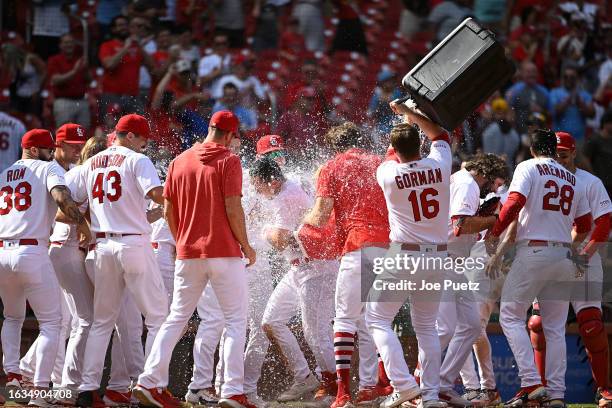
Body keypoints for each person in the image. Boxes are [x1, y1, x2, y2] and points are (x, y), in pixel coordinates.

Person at [134, 111, 258, 408]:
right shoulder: (230, 159)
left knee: (176, 318)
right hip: (224, 252)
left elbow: (167, 212)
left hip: (187, 254)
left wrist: (181, 241)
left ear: (210, 129)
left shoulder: (178, 160)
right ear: (229, 135)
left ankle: (148, 381)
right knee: (235, 320)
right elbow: (233, 208)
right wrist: (247, 246)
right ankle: (232, 392)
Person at [485, 129, 592, 407]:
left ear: (533, 150)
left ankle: (531, 382)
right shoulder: (574, 178)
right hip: (562, 254)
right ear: (554, 151)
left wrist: (495, 231)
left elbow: (514, 204)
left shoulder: (528, 166)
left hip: (534, 250)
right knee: (556, 328)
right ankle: (556, 394)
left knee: (509, 314)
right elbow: (584, 225)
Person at [68, 114, 169, 407]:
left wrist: (88, 225)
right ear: (132, 136)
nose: (146, 143)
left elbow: (68, 203)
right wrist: (181, 194)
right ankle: (153, 385)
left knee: (102, 322)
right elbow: (157, 194)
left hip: (103, 246)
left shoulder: (91, 162)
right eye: (143, 138)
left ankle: (88, 388)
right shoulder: (137, 160)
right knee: (158, 317)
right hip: (134, 244)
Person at [365, 101, 453, 408]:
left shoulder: (388, 173)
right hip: (438, 256)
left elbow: (396, 153)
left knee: (375, 317)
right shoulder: (440, 164)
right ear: (421, 144)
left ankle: (402, 385)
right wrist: (411, 115)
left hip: (404, 255)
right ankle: (429, 395)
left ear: (394, 147)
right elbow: (440, 135)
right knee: (427, 327)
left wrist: (402, 118)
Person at [302, 122, 392, 408]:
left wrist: (298, 231)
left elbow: (320, 214)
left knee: (345, 319)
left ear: (334, 147)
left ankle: (342, 394)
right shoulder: (380, 163)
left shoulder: (331, 167)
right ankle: (369, 387)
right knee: (373, 322)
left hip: (357, 247)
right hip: (389, 248)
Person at [0, 129, 89, 407]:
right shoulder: (47, 167)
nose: (53, 152)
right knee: (53, 323)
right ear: (36, 150)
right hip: (33, 250)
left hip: (3, 251)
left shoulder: (3, 174)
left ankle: (13, 376)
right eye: (49, 148)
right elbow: (62, 197)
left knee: (12, 318)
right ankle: (39, 391)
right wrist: (82, 222)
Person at [528, 131, 612, 407]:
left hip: (583, 259)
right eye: (554, 155)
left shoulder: (590, 181)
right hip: (550, 258)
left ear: (574, 152)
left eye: (563, 155)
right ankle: (541, 390)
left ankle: (604, 389)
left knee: (591, 325)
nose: (558, 161)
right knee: (538, 324)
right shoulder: (539, 176)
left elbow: (604, 222)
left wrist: (583, 253)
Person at [253, 158, 338, 403]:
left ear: (274, 181)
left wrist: (263, 229)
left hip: (317, 268)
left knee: (316, 331)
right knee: (271, 321)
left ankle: (332, 385)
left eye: (259, 185)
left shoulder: (286, 197)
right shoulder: (287, 186)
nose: (257, 191)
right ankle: (304, 378)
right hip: (299, 268)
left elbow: (280, 240)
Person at [435, 153, 507, 407]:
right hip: (444, 260)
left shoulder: (460, 180)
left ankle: (442, 386)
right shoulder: (467, 184)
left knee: (471, 327)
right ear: (485, 174)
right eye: (494, 183)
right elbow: (461, 225)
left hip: (452, 260)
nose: (493, 189)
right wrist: (492, 220)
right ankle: (423, 383)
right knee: (444, 330)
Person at [98, 16, 154, 115]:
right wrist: (126, 48)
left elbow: (152, 67)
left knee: (138, 128)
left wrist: (140, 46)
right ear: (113, 29)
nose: (123, 27)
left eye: (125, 25)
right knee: (111, 128)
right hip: (112, 95)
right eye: (120, 25)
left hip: (133, 96)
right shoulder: (107, 45)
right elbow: (109, 65)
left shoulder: (136, 46)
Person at [47, 33, 91, 129]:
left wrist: (86, 69)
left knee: (84, 133)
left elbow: (89, 80)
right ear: (60, 45)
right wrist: (74, 71)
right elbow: (55, 80)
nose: (69, 45)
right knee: (64, 134)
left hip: (81, 100)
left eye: (71, 42)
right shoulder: (54, 60)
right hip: (63, 101)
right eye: (66, 42)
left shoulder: (79, 59)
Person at [549, 65, 595, 143]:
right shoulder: (554, 92)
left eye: (572, 77)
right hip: (559, 139)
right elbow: (554, 112)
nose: (568, 79)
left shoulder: (585, 95)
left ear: (577, 79)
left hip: (578, 138)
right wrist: (568, 101)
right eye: (565, 77)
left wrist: (580, 103)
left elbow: (592, 114)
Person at [505, 61, 550, 134]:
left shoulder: (544, 92)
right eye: (528, 72)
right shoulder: (514, 91)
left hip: (540, 135)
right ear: (522, 73)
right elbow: (508, 113)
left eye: (534, 71)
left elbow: (551, 114)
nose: (532, 74)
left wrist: (542, 110)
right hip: (520, 134)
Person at [481, 98, 520, 168]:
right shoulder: (514, 133)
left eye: (501, 113)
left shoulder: (487, 129)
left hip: (489, 168)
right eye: (498, 113)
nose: (500, 115)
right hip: (504, 169)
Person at [583, 110, 612, 198]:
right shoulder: (594, 139)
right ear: (606, 123)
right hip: (601, 182)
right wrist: (593, 177)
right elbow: (585, 159)